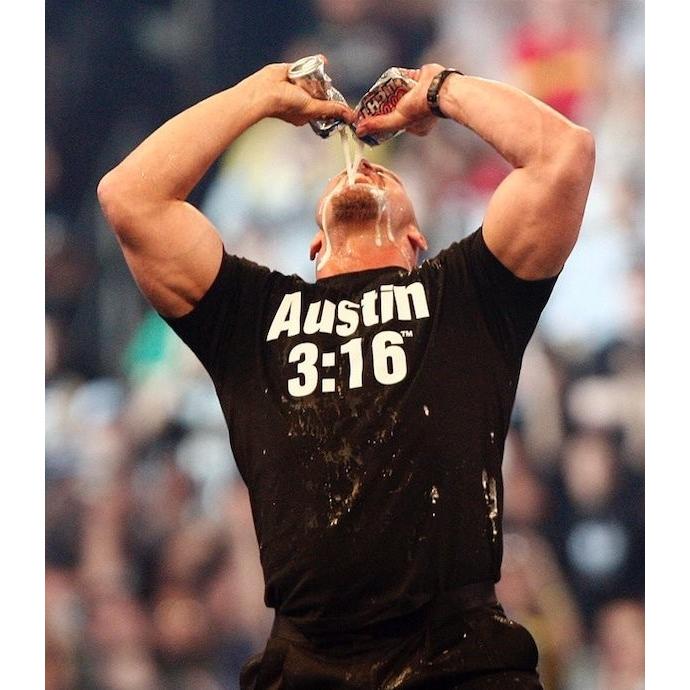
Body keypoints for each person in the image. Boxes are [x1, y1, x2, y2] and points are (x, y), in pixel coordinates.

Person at [98, 59, 594, 689]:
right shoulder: (256, 317)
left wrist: (439, 89)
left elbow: (564, 156)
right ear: (314, 248)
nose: (360, 167)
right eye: (346, 173)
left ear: (416, 240)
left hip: (462, 663)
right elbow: (130, 196)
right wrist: (255, 97)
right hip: (308, 669)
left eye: (386, 171)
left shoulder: (464, 298)